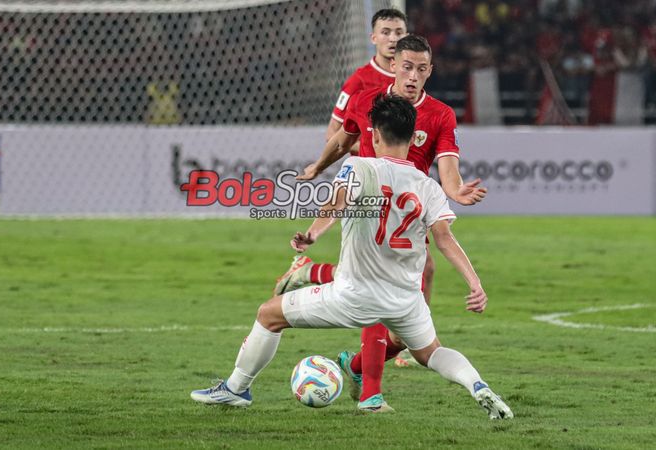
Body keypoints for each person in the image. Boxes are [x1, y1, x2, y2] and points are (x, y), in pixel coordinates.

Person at [190, 94, 512, 420]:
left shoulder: (358, 166)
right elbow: (444, 240)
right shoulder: (427, 186)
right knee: (431, 352)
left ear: (373, 134)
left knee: (269, 314)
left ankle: (236, 389)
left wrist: (313, 233)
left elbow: (336, 204)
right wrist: (475, 284)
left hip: (352, 295)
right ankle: (477, 385)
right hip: (405, 300)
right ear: (413, 137)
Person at [276, 35, 486, 412]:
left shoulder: (439, 114)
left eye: (422, 70)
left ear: (430, 72)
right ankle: (371, 394)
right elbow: (343, 139)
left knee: (407, 317)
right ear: (393, 64)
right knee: (383, 290)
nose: (413, 76)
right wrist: (318, 167)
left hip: (405, 212)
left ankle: (347, 351)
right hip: (368, 205)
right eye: (407, 67)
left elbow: (448, 172)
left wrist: (455, 193)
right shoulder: (366, 100)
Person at [325, 8, 407, 142]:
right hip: (367, 162)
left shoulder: (412, 77)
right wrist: (371, 150)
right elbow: (331, 134)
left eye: (399, 33)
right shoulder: (359, 80)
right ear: (373, 38)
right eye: (385, 32)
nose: (393, 38)